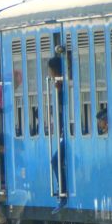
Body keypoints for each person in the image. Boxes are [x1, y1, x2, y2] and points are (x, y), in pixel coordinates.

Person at [48, 56, 67, 214]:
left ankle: (63, 194)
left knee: (55, 160)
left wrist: (59, 92)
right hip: (65, 132)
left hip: (67, 134)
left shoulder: (64, 85)